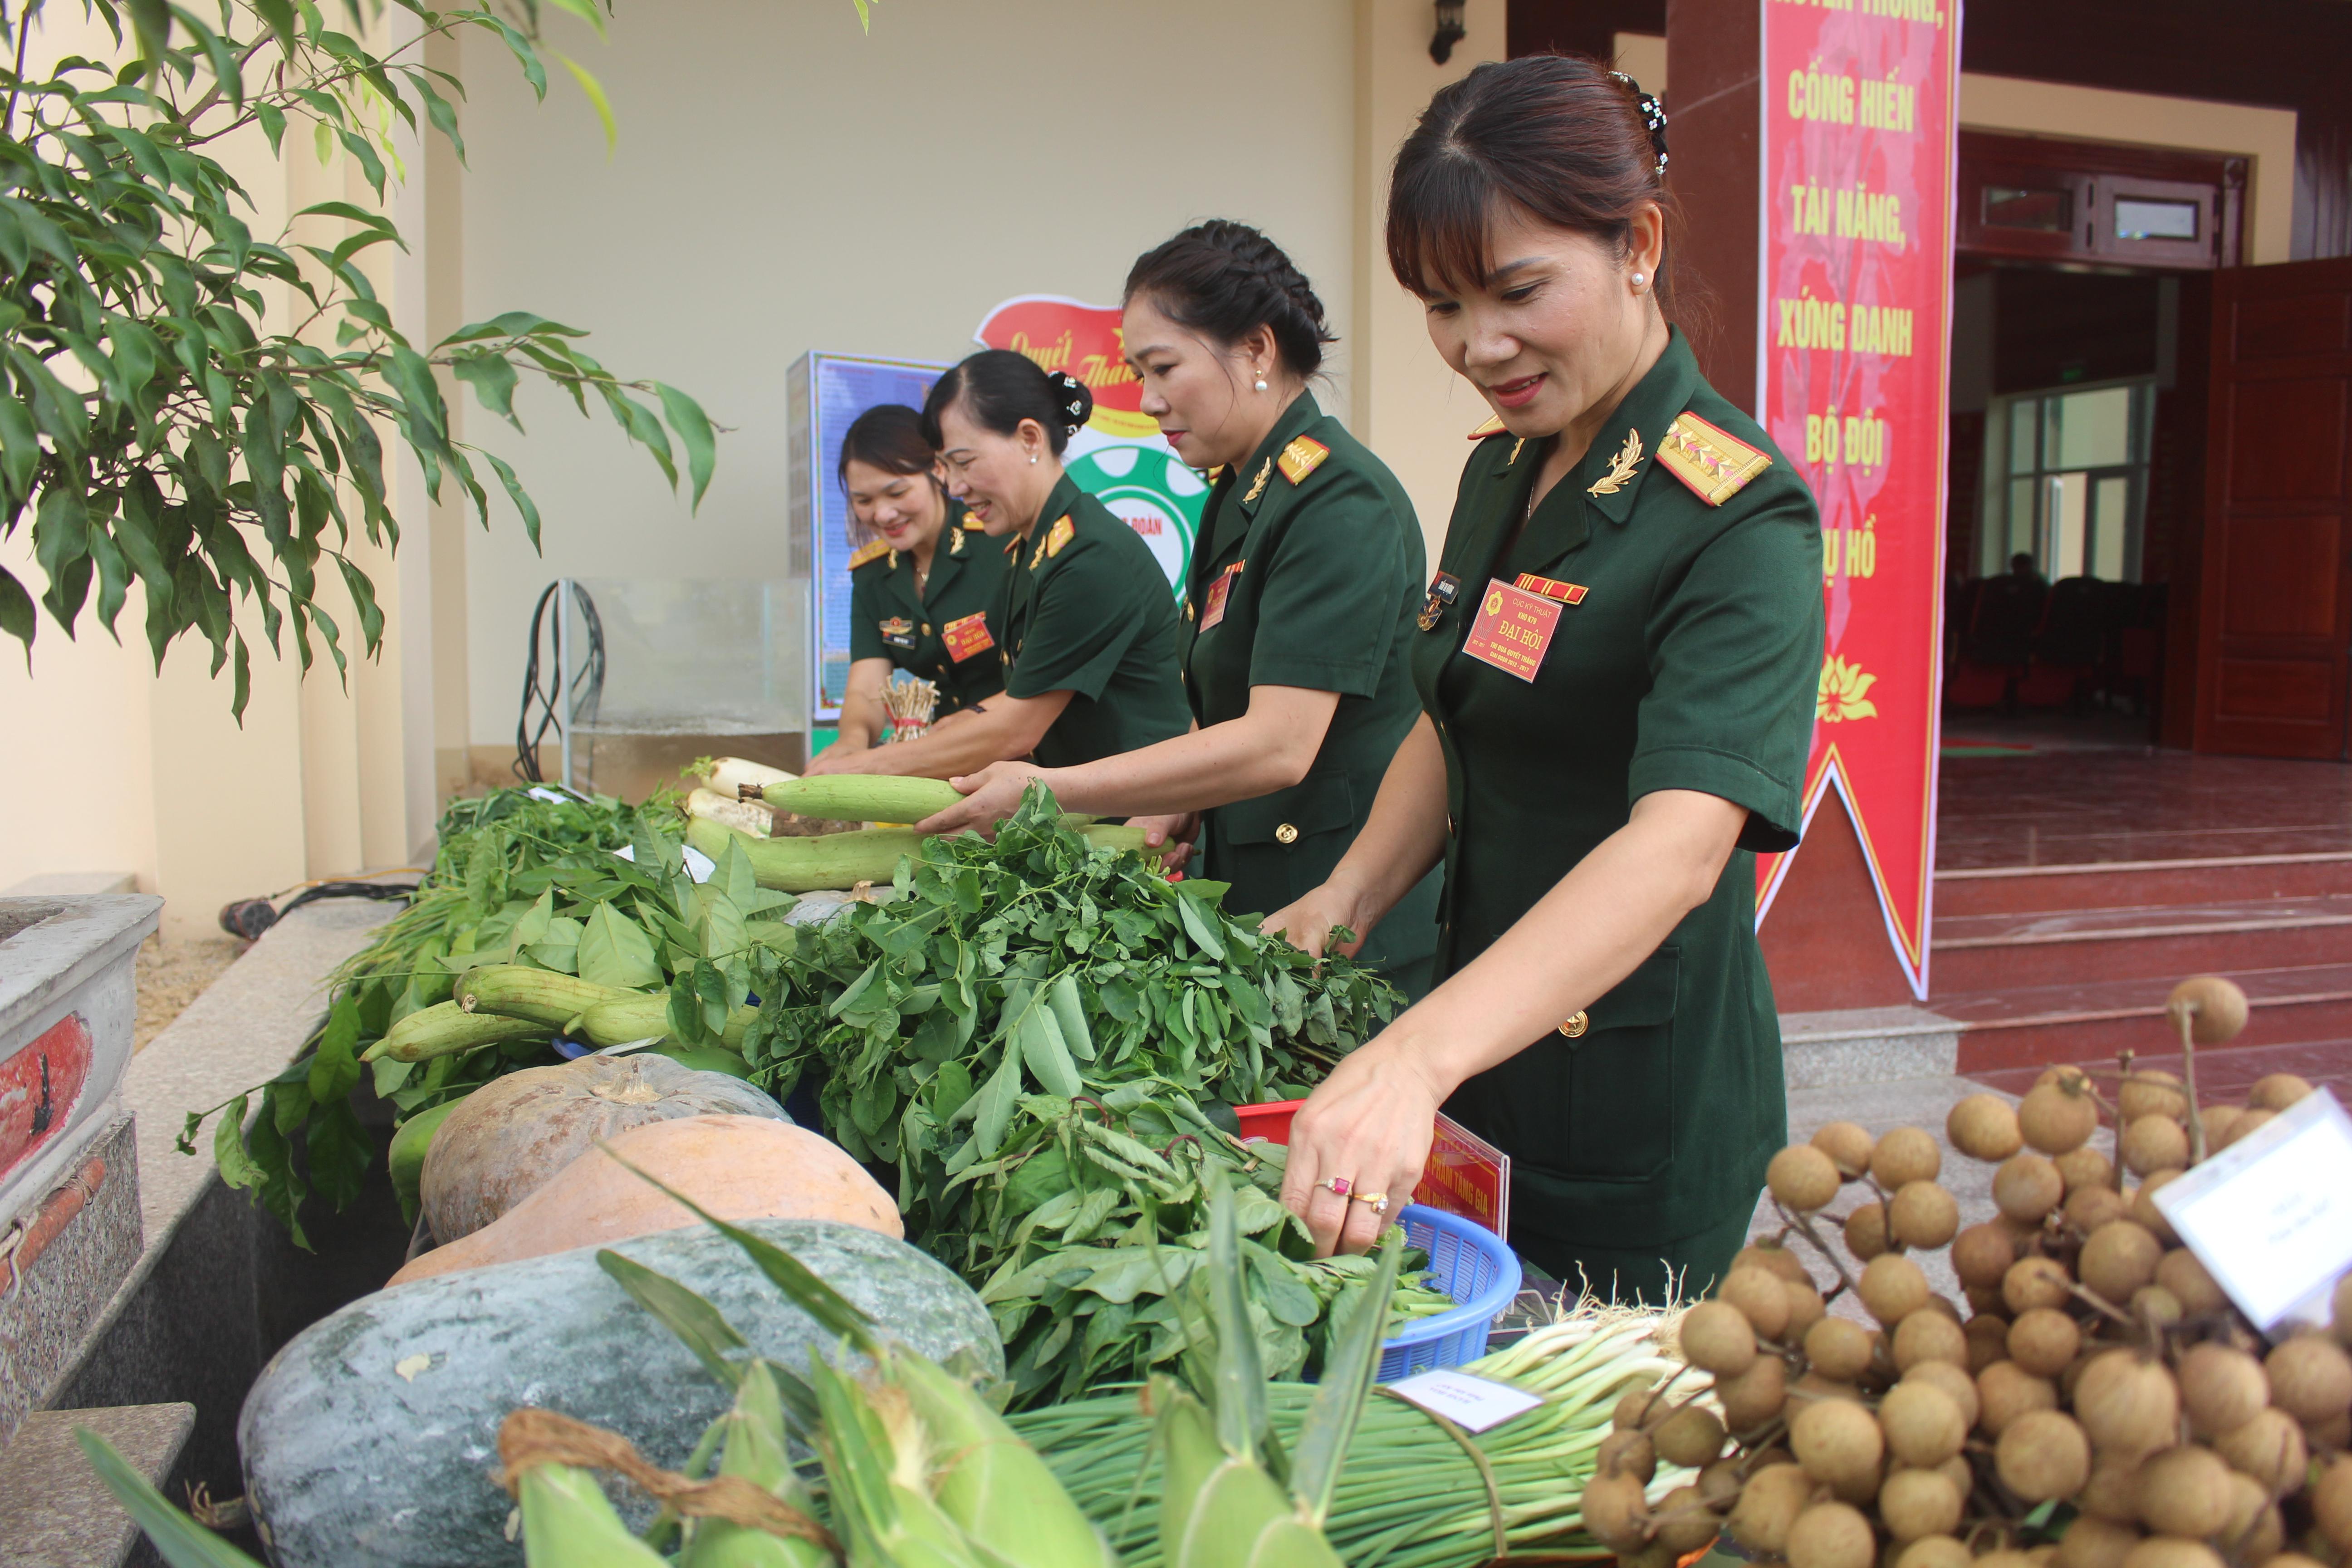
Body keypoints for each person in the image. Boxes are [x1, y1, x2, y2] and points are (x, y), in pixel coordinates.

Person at [1262, 55, 1825, 1302]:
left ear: (1639, 244)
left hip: (1628, 1089)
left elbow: (1680, 848)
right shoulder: (1508, 471)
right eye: (1443, 306)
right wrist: (1348, 895)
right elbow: (1456, 715)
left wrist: (1412, 1058)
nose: (1481, 347)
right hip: (1485, 1051)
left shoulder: (1737, 514)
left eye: (1519, 292)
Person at [921, 221, 1441, 997]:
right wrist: (1174, 804)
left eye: (1163, 368)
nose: (1149, 400)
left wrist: (1045, 790)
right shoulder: (1240, 496)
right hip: (1258, 901)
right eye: (1138, 372)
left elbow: (1279, 744)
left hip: (1338, 921)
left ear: (1257, 351)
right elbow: (1226, 701)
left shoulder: (1337, 499)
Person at [805, 351, 1191, 778]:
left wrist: (863, 769)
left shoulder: (1088, 556)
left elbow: (1016, 728)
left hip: (1140, 814)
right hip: (1085, 807)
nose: (954, 486)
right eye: (946, 467)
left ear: (1030, 438)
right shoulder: (1033, 546)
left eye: (965, 463)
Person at [829, 404, 1011, 758]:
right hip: (946, 757)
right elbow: (867, 689)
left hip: (1032, 752)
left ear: (938, 471)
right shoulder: (873, 574)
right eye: (863, 501)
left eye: (897, 493)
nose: (882, 514)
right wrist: (850, 744)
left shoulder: (998, 543)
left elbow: (1045, 678)